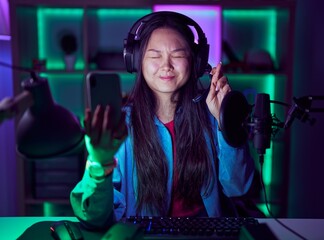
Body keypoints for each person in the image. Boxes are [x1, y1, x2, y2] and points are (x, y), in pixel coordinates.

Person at [70, 11, 255, 230]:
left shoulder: (211, 114)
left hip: (205, 232)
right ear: (136, 59)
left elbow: (238, 187)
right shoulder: (121, 125)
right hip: (143, 235)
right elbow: (94, 217)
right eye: (155, 55)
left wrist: (225, 120)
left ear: (195, 61)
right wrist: (99, 164)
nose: (166, 65)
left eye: (177, 55)